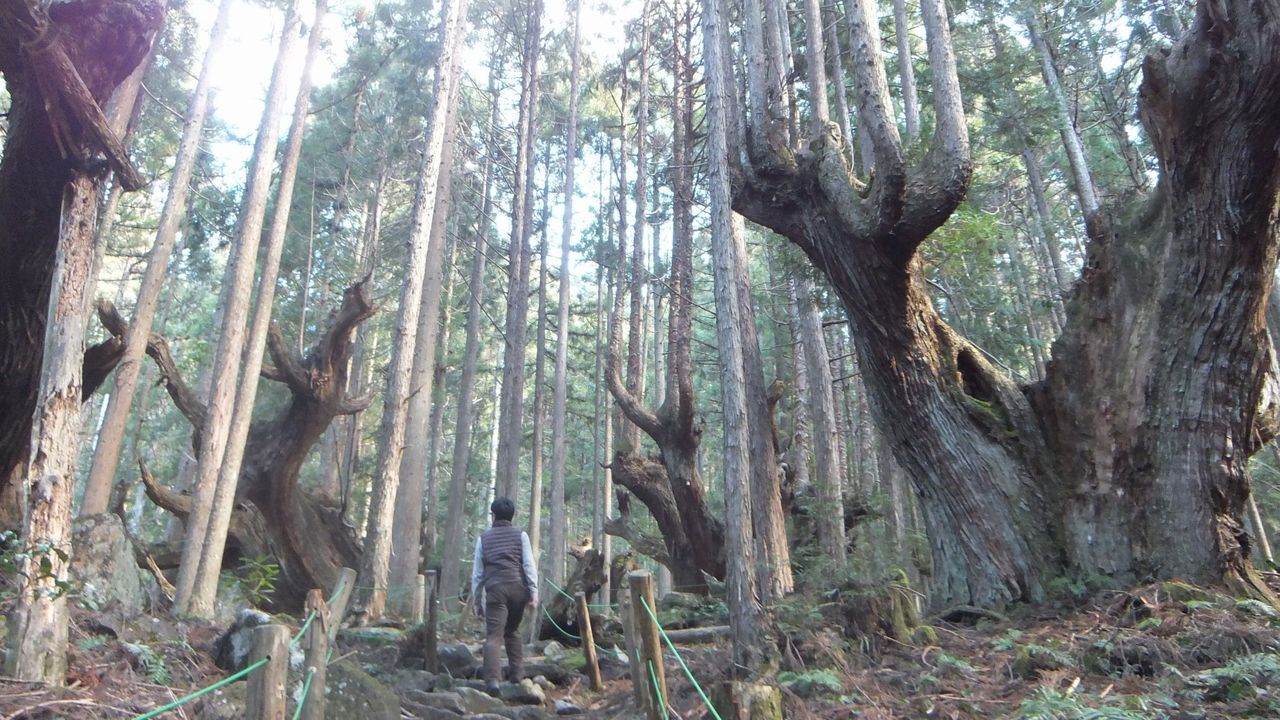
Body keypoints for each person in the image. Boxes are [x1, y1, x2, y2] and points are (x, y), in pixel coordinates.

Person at [470, 496, 538, 694]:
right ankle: (517, 674)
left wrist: (476, 600)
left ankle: (492, 680)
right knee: (512, 631)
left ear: (493, 515)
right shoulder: (521, 535)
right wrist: (533, 592)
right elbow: (528, 565)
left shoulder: (484, 538)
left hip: (495, 590)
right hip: (518, 588)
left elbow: (478, 573)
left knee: (494, 635)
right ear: (512, 516)